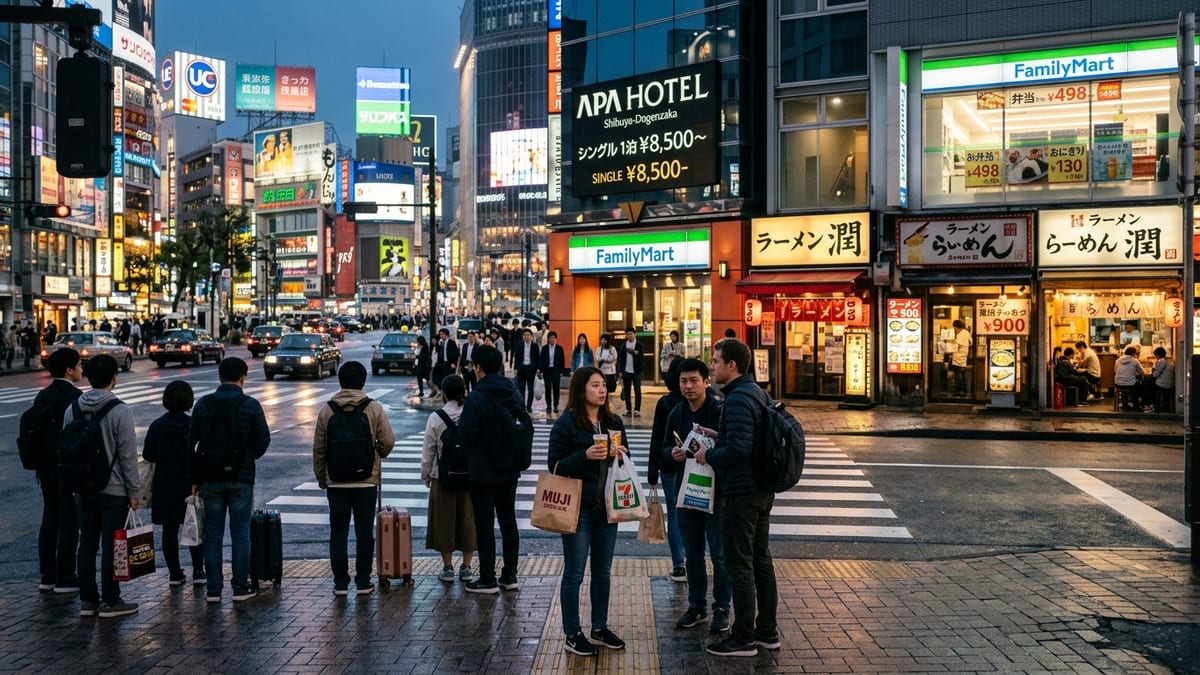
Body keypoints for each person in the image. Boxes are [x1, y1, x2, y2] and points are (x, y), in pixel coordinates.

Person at [694, 339, 779, 657]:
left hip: (742, 493)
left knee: (739, 564)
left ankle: (742, 637)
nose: (712, 367)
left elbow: (740, 450)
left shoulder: (737, 399)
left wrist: (709, 453)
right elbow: (748, 439)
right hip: (760, 489)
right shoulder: (757, 392)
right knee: (760, 560)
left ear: (731, 365)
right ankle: (767, 632)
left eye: (715, 361)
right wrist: (719, 435)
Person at [547, 366, 628, 656]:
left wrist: (619, 454)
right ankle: (572, 632)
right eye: (595, 385)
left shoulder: (613, 421)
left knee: (603, 572)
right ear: (582, 389)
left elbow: (624, 456)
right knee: (575, 573)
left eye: (604, 385)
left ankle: (599, 627)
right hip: (578, 509)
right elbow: (554, 466)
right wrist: (584, 456)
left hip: (608, 507)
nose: (602, 390)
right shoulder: (567, 424)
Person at [190, 357, 271, 604]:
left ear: (219, 376)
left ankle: (214, 589)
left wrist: (195, 478)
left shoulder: (203, 405)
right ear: (243, 378)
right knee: (240, 533)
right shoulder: (250, 405)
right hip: (241, 477)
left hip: (210, 478)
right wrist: (248, 456)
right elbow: (263, 440)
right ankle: (240, 586)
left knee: (213, 535)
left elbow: (192, 443)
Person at [313, 361, 395, 595]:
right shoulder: (373, 408)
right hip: (366, 480)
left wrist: (322, 477)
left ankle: (340, 582)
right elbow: (388, 441)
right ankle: (363, 580)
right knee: (364, 532)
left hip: (336, 481)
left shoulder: (327, 410)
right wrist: (378, 453)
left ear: (340, 381)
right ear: (363, 381)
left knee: (337, 532)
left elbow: (319, 447)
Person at [664, 357, 731, 633]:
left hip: (716, 494)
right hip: (687, 491)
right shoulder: (677, 412)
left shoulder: (719, 410)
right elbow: (664, 446)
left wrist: (710, 453)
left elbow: (730, 447)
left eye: (694, 380)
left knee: (719, 554)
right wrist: (672, 453)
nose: (688, 386)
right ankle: (696, 606)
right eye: (683, 381)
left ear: (706, 381)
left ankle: (721, 608)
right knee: (692, 554)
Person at [69, 354, 140, 618]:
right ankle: (111, 600)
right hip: (114, 489)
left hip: (83, 487)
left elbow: (66, 450)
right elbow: (128, 456)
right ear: (114, 378)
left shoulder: (73, 408)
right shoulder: (120, 410)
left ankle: (88, 600)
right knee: (113, 544)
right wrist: (134, 492)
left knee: (86, 543)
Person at [458, 345, 524, 593]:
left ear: (478, 368)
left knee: (485, 524)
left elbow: (466, 433)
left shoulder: (476, 396)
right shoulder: (513, 392)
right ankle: (510, 575)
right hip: (509, 467)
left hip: (482, 469)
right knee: (508, 521)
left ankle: (487, 576)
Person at [32, 348, 84, 594]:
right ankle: (66, 576)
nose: (81, 369)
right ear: (69, 370)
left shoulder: (43, 395)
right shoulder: (75, 396)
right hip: (67, 466)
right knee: (69, 520)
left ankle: (47, 575)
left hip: (44, 467)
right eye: (79, 365)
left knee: (49, 517)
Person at [143, 380, 204, 587]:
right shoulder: (192, 425)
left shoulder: (158, 425)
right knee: (195, 527)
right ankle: (198, 570)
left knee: (169, 530)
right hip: (190, 482)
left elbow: (148, 454)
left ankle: (175, 573)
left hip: (164, 483)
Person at [420, 375, 476, 584]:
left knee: (444, 521)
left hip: (442, 477)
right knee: (469, 520)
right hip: (470, 477)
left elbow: (429, 450)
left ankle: (447, 567)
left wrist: (426, 475)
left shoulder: (436, 418)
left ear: (444, 393)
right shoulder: (472, 413)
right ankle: (468, 567)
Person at [647, 358, 686, 583]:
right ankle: (692, 560)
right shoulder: (703, 401)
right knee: (694, 515)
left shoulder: (665, 403)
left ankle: (679, 565)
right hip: (694, 468)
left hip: (669, 467)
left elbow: (656, 439)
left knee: (674, 513)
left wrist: (652, 472)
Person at [618, 327, 644, 416]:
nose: (629, 336)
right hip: (626, 371)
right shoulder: (624, 345)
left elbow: (641, 357)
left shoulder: (639, 345)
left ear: (635, 334)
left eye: (631, 334)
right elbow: (621, 359)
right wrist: (620, 371)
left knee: (637, 390)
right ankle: (628, 409)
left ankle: (637, 410)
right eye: (628, 334)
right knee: (627, 391)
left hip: (636, 372)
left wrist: (635, 353)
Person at [540, 330, 567, 415]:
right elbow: (541, 360)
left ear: (556, 339)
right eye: (550, 338)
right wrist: (540, 370)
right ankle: (548, 406)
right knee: (547, 388)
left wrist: (562, 371)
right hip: (547, 371)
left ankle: (555, 405)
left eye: (553, 338)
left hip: (556, 370)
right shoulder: (544, 348)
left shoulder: (559, 348)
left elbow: (562, 360)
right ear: (548, 339)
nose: (552, 339)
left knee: (556, 388)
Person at [515, 328, 539, 413]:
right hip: (522, 368)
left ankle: (529, 406)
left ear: (531, 337)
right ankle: (522, 406)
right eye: (525, 335)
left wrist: (537, 369)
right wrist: (515, 368)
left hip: (531, 369)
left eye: (528, 335)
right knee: (521, 389)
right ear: (522, 336)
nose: (526, 336)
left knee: (530, 389)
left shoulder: (535, 346)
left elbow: (537, 359)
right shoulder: (519, 345)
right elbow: (517, 358)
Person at [1114, 345, 1143, 411]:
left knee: (1125, 385)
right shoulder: (1135, 361)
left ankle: (1125, 405)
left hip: (1118, 384)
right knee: (1139, 387)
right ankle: (1136, 405)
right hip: (1130, 384)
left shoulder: (1118, 360)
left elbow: (1115, 371)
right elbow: (1142, 372)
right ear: (1133, 353)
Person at [432, 328, 460, 395]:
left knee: (447, 378)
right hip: (440, 363)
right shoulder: (440, 342)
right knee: (437, 377)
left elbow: (456, 354)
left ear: (446, 335)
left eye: (442, 334)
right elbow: (438, 352)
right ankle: (441, 391)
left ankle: (447, 392)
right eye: (440, 334)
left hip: (448, 364)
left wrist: (454, 363)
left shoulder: (451, 342)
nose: (441, 336)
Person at [1147, 347, 1174, 412]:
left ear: (1158, 355)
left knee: (1147, 386)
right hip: (1171, 384)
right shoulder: (1170, 361)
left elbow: (1155, 374)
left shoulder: (1160, 361)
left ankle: (1152, 404)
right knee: (1150, 384)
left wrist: (1152, 370)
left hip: (1163, 384)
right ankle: (1162, 406)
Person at [949, 319, 971, 397]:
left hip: (959, 357)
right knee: (962, 374)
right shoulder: (967, 333)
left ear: (957, 327)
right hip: (964, 356)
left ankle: (959, 391)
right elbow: (970, 342)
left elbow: (955, 346)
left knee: (958, 375)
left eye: (954, 328)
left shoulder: (961, 334)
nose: (954, 330)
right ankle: (963, 391)